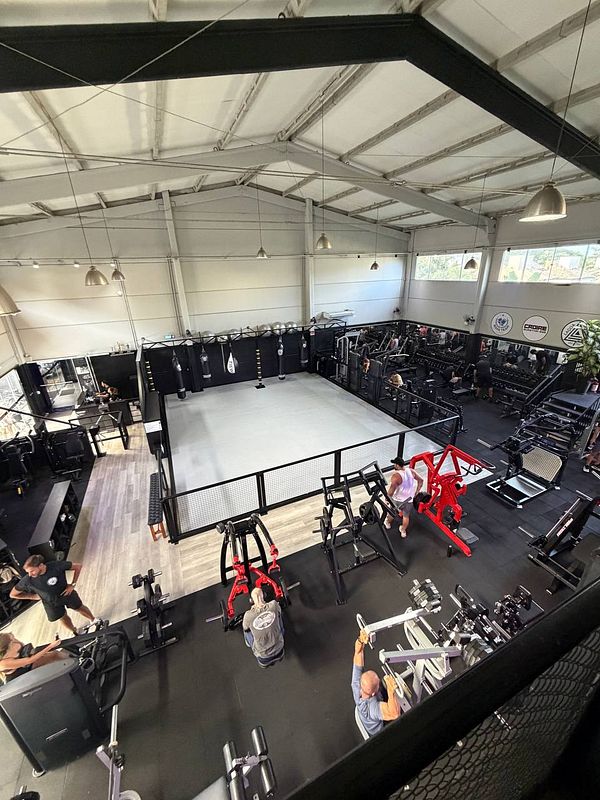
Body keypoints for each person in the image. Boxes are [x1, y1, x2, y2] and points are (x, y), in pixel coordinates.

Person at [10, 555, 98, 635]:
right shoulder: (27, 580)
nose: (30, 574)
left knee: (79, 607)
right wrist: (32, 596)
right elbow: (13, 594)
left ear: (40, 566)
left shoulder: (55, 566)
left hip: (67, 594)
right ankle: (75, 631)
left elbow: (78, 566)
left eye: (32, 571)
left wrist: (72, 584)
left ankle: (93, 620)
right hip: (50, 602)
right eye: (28, 572)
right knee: (62, 617)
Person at [352, 629, 401, 736]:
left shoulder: (356, 684)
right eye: (378, 683)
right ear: (374, 693)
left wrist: (360, 640)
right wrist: (391, 691)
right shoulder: (373, 708)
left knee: (385, 683)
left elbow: (357, 653)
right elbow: (394, 714)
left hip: (368, 715)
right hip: (379, 730)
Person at [242, 586, 285, 668]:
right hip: (279, 649)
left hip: (263, 656)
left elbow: (245, 628)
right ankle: (279, 656)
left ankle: (249, 645)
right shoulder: (274, 605)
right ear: (264, 595)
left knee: (246, 631)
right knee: (279, 616)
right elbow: (279, 613)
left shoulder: (248, 615)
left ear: (251, 601)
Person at [0, 632, 64, 683]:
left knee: (54, 654)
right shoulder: (4, 663)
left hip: (27, 663)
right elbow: (30, 660)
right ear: (6, 647)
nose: (14, 639)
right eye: (11, 640)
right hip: (20, 676)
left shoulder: (14, 642)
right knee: (54, 655)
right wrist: (51, 646)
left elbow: (26, 650)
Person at [385, 456, 424, 538]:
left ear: (397, 465)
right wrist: (417, 492)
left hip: (397, 500)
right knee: (406, 516)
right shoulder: (411, 471)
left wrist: (387, 499)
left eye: (394, 464)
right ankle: (403, 530)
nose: (394, 466)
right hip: (409, 500)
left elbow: (391, 490)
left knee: (392, 513)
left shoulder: (396, 476)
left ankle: (387, 523)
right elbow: (421, 480)